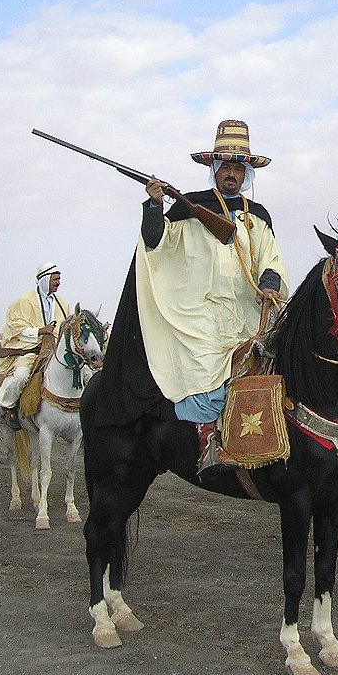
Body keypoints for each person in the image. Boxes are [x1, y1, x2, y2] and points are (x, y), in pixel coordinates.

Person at [93, 119, 289, 477]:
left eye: (238, 167)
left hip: (247, 311)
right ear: (214, 170)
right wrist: (154, 205)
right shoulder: (187, 210)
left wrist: (271, 284)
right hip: (196, 314)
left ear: (246, 174)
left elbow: (270, 259)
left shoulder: (257, 217)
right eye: (225, 166)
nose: (231, 173)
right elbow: (155, 244)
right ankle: (206, 439)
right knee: (200, 365)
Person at [0, 263, 71, 429]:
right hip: (29, 352)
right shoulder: (23, 302)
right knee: (21, 375)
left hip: (53, 353)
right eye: (55, 279)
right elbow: (15, 327)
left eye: (59, 279)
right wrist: (40, 331)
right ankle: (8, 408)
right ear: (45, 279)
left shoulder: (63, 304)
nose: (58, 282)